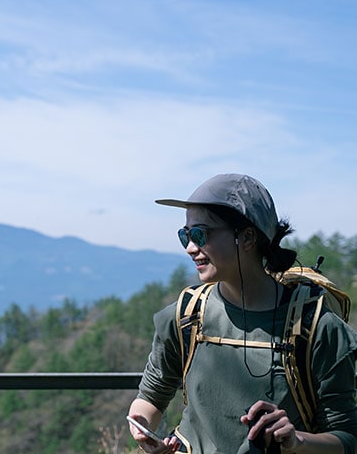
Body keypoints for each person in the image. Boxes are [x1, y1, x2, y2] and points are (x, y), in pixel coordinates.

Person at [128, 173, 357, 454]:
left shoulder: (316, 327)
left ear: (247, 237)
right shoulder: (185, 315)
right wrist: (142, 425)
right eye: (184, 235)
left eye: (200, 234)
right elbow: (151, 396)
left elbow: (347, 438)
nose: (190, 248)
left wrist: (296, 441)